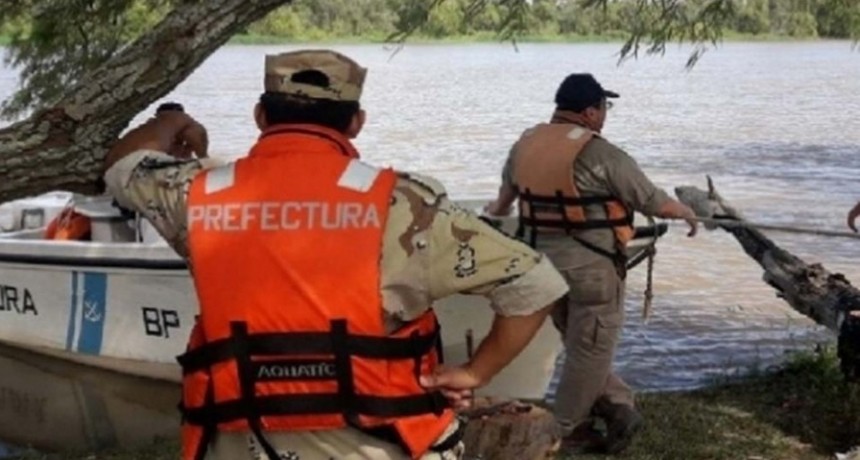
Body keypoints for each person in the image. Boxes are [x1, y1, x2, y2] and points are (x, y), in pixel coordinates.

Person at [103, 49, 569, 460]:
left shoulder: (195, 194)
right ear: (355, 122)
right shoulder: (404, 204)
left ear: (260, 116)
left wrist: (173, 122)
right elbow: (535, 284)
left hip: (240, 440)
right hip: (382, 442)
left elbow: (122, 165)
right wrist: (473, 371)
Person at [485, 73, 698, 455]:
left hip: (540, 266)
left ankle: (618, 405)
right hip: (592, 270)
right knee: (590, 350)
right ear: (589, 112)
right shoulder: (602, 154)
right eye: (604, 108)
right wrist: (686, 212)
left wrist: (488, 216)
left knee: (580, 342)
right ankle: (560, 432)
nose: (605, 115)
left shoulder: (525, 145)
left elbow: (502, 204)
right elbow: (652, 201)